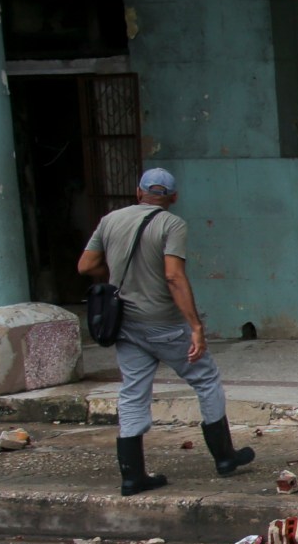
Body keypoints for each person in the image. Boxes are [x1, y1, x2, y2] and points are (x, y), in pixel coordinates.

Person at [78, 168, 254, 494]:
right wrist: (196, 327)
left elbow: (86, 266)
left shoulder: (110, 220)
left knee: (133, 392)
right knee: (206, 379)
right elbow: (174, 276)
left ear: (138, 192)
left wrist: (114, 273)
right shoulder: (172, 224)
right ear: (173, 197)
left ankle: (132, 476)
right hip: (163, 323)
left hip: (125, 324)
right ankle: (225, 456)